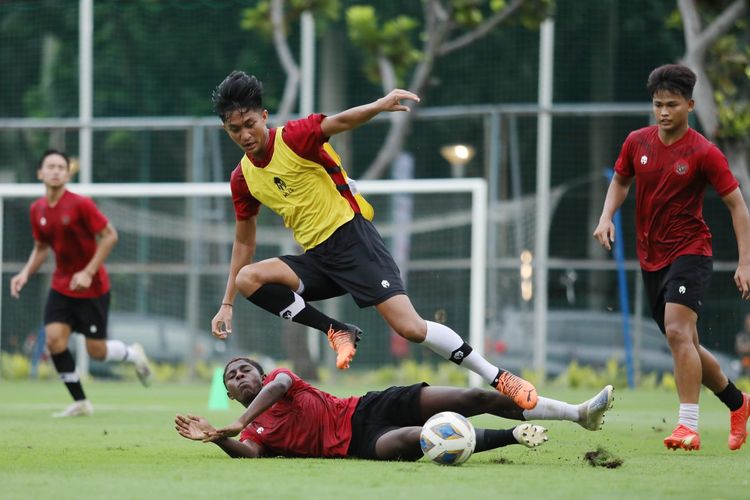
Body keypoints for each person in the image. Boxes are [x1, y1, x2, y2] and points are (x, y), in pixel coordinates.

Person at [209, 70, 538, 410]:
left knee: (410, 328)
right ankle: (336, 330)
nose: (245, 134)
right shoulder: (242, 178)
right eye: (235, 129)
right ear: (225, 129)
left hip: (353, 241)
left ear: (264, 116)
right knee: (248, 278)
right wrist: (227, 303)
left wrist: (379, 105)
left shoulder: (294, 137)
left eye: (250, 123)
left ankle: (499, 377)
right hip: (317, 259)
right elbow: (244, 243)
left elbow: (338, 122)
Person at [593, 64, 750, 451]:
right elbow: (621, 179)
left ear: (690, 106)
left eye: (672, 105)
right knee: (687, 344)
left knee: (679, 333)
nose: (663, 112)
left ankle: (687, 426)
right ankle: (739, 402)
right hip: (651, 258)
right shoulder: (636, 142)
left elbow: (737, 206)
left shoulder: (703, 152)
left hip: (691, 251)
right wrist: (606, 216)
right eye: (658, 105)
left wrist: (745, 262)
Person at [174, 357, 614, 460]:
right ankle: (511, 437)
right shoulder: (251, 434)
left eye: (245, 368)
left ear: (261, 373)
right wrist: (219, 438)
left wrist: (233, 423)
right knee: (425, 439)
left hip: (367, 406)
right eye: (231, 377)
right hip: (361, 444)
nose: (239, 377)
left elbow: (282, 383)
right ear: (229, 393)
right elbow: (248, 453)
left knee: (473, 397)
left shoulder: (280, 382)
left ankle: (578, 413)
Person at [9, 149, 153, 417]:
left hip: (93, 288)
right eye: (50, 166)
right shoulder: (37, 209)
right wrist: (25, 273)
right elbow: (41, 248)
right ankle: (81, 402)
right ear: (40, 173)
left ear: (67, 173)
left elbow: (110, 236)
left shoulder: (81, 204)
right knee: (54, 340)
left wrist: (88, 272)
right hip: (61, 286)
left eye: (60, 167)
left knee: (96, 351)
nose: (55, 171)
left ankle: (133, 354)